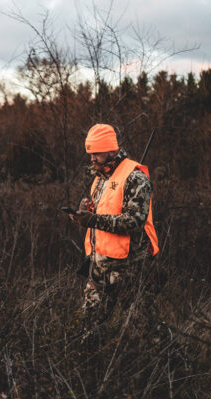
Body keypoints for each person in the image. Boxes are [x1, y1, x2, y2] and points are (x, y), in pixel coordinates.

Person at [69, 123, 159, 330]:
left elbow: (134, 221)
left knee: (145, 328)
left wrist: (92, 220)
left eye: (97, 153)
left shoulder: (135, 177)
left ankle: (173, 361)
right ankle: (91, 361)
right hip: (100, 267)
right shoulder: (100, 178)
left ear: (111, 149)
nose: (92, 158)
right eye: (89, 153)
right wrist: (85, 212)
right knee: (87, 328)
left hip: (129, 269)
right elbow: (105, 213)